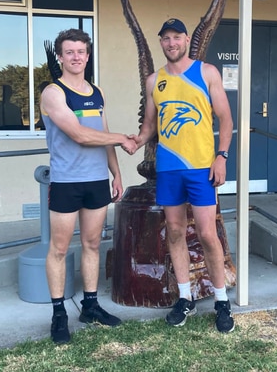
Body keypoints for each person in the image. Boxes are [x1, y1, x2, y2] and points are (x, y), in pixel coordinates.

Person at [129, 18, 234, 332]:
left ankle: (221, 301)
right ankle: (185, 298)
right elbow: (150, 127)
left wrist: (222, 157)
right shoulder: (154, 81)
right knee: (174, 232)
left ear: (186, 40)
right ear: (161, 42)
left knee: (206, 234)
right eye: (165, 38)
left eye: (176, 37)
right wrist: (135, 141)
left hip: (202, 168)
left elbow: (226, 119)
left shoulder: (207, 72)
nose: (171, 43)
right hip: (169, 169)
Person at [40, 28, 137, 344]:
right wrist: (123, 138)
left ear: (88, 54)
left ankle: (90, 306)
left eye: (81, 51)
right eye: (69, 52)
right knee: (59, 248)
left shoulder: (97, 91)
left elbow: (101, 132)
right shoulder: (53, 93)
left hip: (97, 181)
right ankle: (58, 315)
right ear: (61, 56)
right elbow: (80, 134)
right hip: (67, 182)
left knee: (93, 244)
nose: (76, 57)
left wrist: (116, 173)